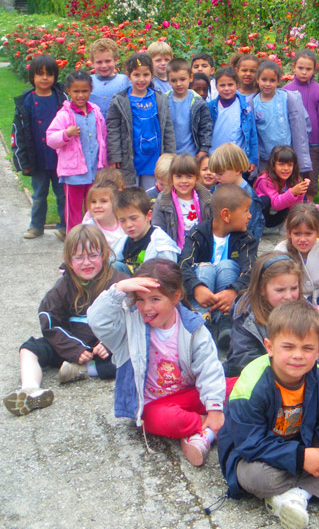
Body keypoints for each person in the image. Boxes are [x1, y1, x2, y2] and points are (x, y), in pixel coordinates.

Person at [218, 301, 319, 529]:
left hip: (299, 440)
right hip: (259, 453)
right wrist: (302, 458)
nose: (298, 356)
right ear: (270, 347)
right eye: (288, 347)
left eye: (307, 348)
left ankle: (295, 496)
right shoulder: (251, 385)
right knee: (258, 478)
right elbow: (249, 443)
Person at [88, 258, 235, 466]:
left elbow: (209, 370)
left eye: (155, 299)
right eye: (140, 299)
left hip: (190, 395)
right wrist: (118, 289)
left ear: (175, 297)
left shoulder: (193, 328)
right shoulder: (129, 326)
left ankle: (202, 432)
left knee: (239, 383)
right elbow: (97, 321)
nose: (146, 307)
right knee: (156, 419)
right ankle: (209, 427)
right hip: (155, 405)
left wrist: (214, 408)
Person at [3, 225, 126, 416]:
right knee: (29, 348)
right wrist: (73, 348)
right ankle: (30, 390)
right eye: (78, 257)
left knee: (133, 356)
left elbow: (131, 314)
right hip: (71, 344)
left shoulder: (118, 282)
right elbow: (48, 318)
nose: (86, 262)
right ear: (68, 260)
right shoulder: (64, 285)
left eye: (93, 255)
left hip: (105, 348)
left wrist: (110, 342)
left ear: (105, 254)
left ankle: (86, 370)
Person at [179, 184, 258, 347]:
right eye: (246, 211)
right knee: (205, 267)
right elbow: (183, 264)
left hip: (229, 299)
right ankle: (202, 318)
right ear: (226, 215)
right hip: (201, 296)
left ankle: (226, 319)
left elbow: (251, 270)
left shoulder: (246, 239)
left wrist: (234, 290)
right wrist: (196, 287)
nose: (250, 216)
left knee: (227, 265)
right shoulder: (197, 234)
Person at [12, 54, 67, 240]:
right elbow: (18, 133)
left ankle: (64, 226)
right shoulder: (26, 101)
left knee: (62, 194)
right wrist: (22, 160)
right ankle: (36, 225)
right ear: (32, 77)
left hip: (61, 158)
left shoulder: (62, 98)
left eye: (49, 74)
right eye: (40, 74)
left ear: (55, 76)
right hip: (38, 158)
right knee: (39, 194)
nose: (45, 78)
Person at [223, 252, 304, 377]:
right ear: (261, 289)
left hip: (296, 370)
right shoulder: (245, 314)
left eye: (294, 288)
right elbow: (245, 359)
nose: (289, 296)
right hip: (255, 375)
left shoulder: (303, 309)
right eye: (280, 290)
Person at [47, 70, 107, 232]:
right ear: (68, 91)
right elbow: (51, 138)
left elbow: (102, 139)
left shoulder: (96, 112)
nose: (81, 95)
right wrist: (66, 133)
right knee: (73, 210)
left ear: (90, 90)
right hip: (74, 173)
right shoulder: (64, 115)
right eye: (76, 91)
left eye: (84, 91)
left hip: (94, 171)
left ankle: (93, 237)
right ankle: (73, 240)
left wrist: (104, 163)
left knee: (94, 208)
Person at [106, 53, 177, 189]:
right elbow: (113, 130)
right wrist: (115, 157)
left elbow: (167, 128)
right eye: (136, 75)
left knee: (152, 193)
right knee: (131, 196)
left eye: (146, 75)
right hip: (131, 159)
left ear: (152, 74)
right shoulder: (120, 101)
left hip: (154, 159)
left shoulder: (159, 99)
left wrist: (171, 155)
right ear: (129, 76)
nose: (141, 79)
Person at [283, 49, 319, 201]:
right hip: (294, 141)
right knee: (293, 172)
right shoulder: (286, 90)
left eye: (308, 69)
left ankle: (309, 201)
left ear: (314, 69)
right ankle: (294, 202)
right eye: (300, 68)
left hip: (313, 142)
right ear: (294, 67)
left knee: (311, 173)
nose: (304, 72)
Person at [251, 61, 313, 176]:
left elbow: (302, 123)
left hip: (287, 154)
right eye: (264, 80)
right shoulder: (253, 103)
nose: (268, 84)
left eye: (272, 80)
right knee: (268, 184)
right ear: (257, 80)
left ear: (278, 81)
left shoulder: (287, 98)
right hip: (266, 155)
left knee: (287, 183)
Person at [113, 187, 180, 274]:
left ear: (148, 216)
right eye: (122, 220)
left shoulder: (161, 246)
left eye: (134, 218)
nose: (128, 225)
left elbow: (166, 279)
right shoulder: (120, 243)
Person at [151, 154, 212, 249]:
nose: (184, 181)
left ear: (197, 178)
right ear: (171, 179)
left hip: (201, 249)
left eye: (189, 176)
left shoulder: (206, 199)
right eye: (178, 176)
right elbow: (158, 229)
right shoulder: (163, 200)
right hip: (173, 249)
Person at [208, 142, 265, 240]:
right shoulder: (218, 188)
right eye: (215, 173)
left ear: (237, 170)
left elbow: (252, 227)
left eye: (220, 174)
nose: (216, 177)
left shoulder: (249, 197)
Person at [207, 66, 258, 169]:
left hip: (237, 159)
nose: (226, 88)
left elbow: (252, 134)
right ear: (216, 86)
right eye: (222, 85)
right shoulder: (210, 107)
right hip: (215, 158)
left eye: (230, 84)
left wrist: (252, 159)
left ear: (237, 85)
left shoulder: (244, 108)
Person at [165, 58, 213, 158]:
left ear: (190, 77)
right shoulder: (163, 101)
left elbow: (206, 129)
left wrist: (202, 152)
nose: (178, 84)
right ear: (168, 80)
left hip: (191, 156)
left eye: (182, 79)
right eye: (173, 80)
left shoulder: (198, 102)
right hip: (169, 156)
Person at [254, 145, 309, 229]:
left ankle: (290, 224)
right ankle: (260, 228)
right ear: (273, 166)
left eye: (290, 165)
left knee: (303, 197)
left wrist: (301, 190)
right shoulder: (264, 180)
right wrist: (292, 192)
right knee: (265, 200)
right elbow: (276, 204)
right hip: (265, 217)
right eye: (281, 164)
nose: (286, 168)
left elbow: (297, 206)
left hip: (280, 215)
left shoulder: (294, 179)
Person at [88, 38, 130, 118]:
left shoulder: (125, 81)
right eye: (99, 62)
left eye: (108, 61)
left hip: (118, 128)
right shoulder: (87, 81)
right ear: (92, 63)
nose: (104, 66)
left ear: (115, 60)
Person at [82, 180, 125, 252]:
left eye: (103, 201)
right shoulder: (89, 227)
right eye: (93, 202)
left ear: (116, 202)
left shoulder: (123, 223)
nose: (97, 206)